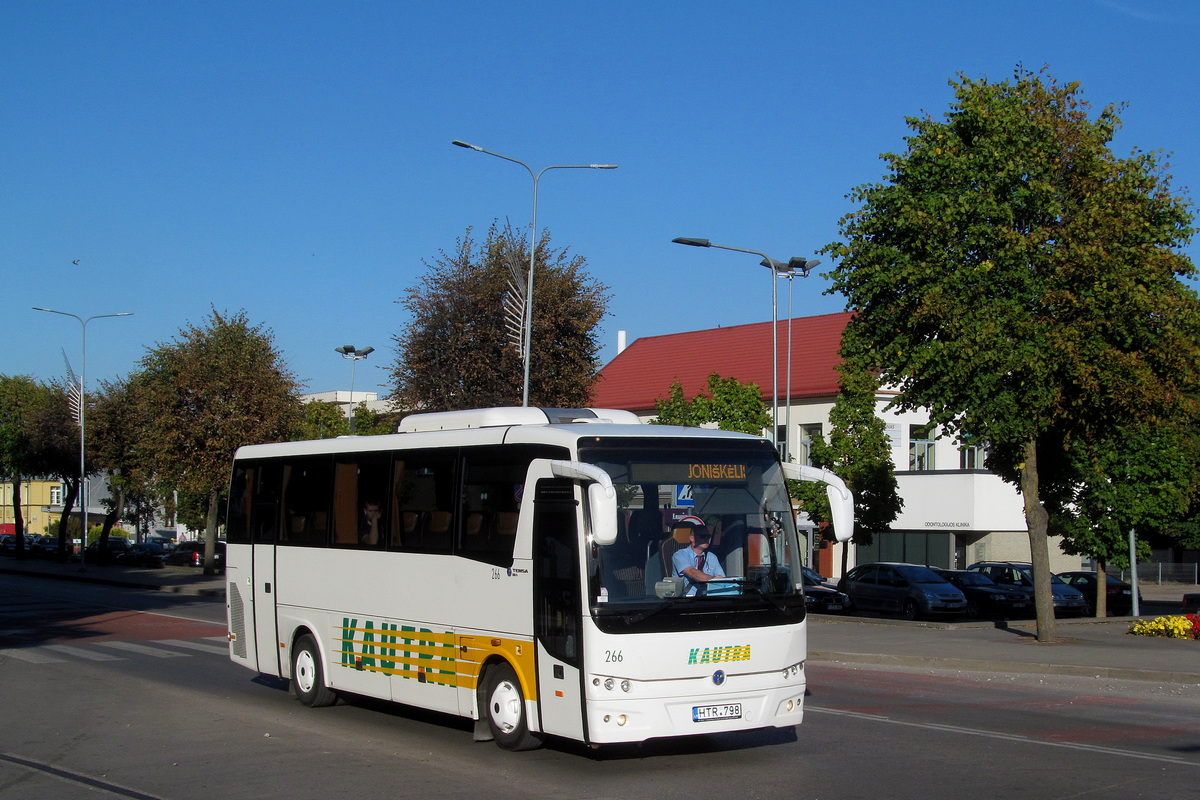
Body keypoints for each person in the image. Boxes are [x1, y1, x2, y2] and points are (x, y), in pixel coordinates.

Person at [670, 515, 725, 596]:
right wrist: (712, 579)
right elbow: (692, 572)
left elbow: (722, 579)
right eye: (702, 536)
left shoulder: (711, 557)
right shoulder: (679, 555)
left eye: (708, 536)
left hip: (710, 599)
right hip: (687, 601)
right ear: (692, 538)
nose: (706, 539)